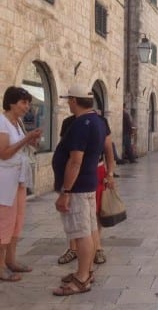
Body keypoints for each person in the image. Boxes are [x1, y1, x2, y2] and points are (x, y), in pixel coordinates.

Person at [52, 84, 107, 296]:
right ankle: (87, 270)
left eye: (69, 100)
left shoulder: (81, 124)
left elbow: (75, 161)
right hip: (88, 183)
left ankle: (82, 279)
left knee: (81, 233)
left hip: (77, 188)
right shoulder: (98, 121)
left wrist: (65, 192)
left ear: (74, 100)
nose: (68, 103)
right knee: (90, 230)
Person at [57, 110, 115, 266]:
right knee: (73, 211)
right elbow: (65, 150)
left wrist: (110, 173)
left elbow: (109, 149)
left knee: (95, 211)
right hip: (74, 173)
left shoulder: (100, 121)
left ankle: (97, 248)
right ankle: (73, 248)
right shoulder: (68, 122)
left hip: (96, 170)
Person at [0, 86, 42, 282]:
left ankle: (11, 260)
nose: (27, 107)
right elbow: (4, 153)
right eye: (24, 102)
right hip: (5, 181)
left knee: (17, 221)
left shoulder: (17, 123)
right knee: (4, 223)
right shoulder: (2, 122)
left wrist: (30, 140)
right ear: (11, 103)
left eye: (28, 103)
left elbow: (18, 147)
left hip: (18, 179)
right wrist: (26, 138)